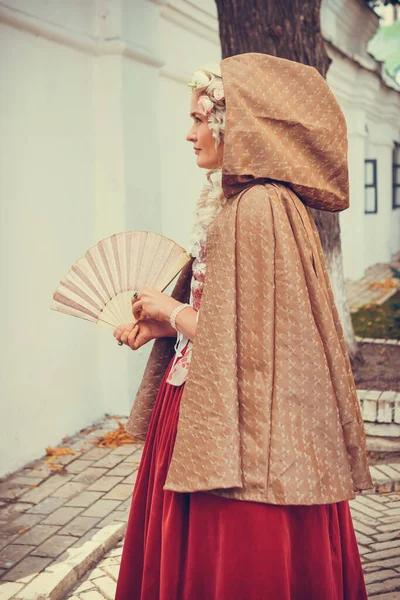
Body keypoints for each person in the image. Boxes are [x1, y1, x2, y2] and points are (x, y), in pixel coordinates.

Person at [113, 53, 374, 600]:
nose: (189, 134)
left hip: (244, 428)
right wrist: (163, 327)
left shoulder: (260, 208)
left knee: (235, 558)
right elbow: (236, 318)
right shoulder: (243, 204)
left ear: (237, 123)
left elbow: (256, 342)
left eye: (198, 118)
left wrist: (170, 311)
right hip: (205, 407)